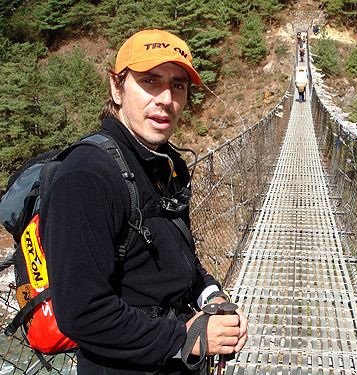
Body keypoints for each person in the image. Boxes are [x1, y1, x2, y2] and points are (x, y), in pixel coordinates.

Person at [40, 29, 248, 374]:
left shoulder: (167, 163)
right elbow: (82, 313)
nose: (166, 98)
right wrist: (188, 337)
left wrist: (211, 297)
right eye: (150, 81)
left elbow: (179, 260)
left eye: (177, 85)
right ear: (116, 88)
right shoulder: (86, 176)